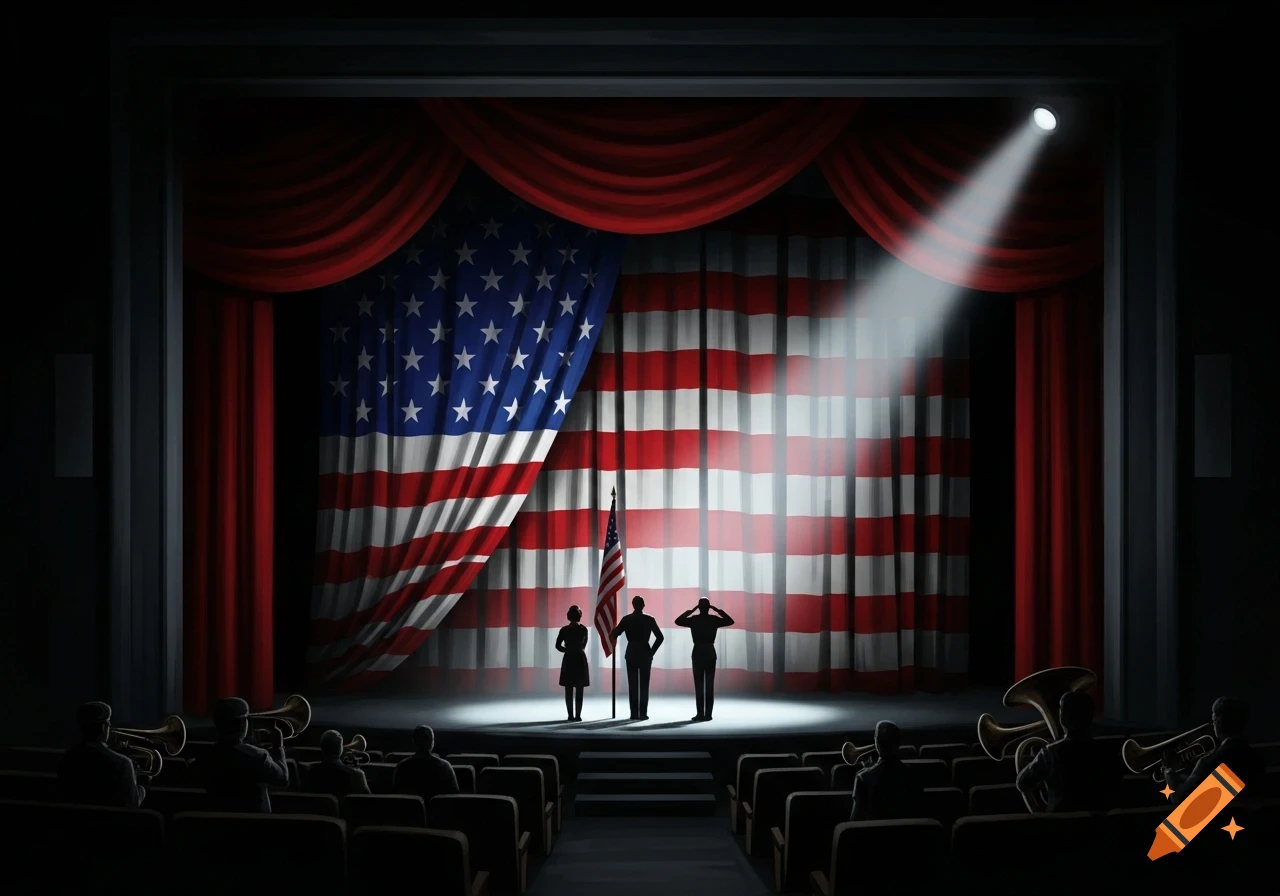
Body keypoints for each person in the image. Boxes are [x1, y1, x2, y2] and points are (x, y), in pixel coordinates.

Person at [1015, 690, 1119, 812]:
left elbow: (1022, 783)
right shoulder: (1107, 752)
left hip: (1059, 825)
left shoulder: (1050, 753)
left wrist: (1035, 763)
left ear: (1062, 718)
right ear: (1091, 717)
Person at [190, 696, 289, 813]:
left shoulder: (203, 757)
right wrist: (278, 746)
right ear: (242, 723)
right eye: (247, 719)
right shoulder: (259, 756)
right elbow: (283, 779)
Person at [1164, 697, 1265, 803]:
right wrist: (1192, 769)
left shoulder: (1208, 762)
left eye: (1213, 721)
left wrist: (1168, 771)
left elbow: (1179, 798)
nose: (1212, 725)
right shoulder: (1257, 759)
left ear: (1218, 721)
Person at [56, 701, 146, 808]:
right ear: (104, 727)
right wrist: (142, 786)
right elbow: (132, 804)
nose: (109, 726)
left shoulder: (67, 757)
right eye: (108, 722)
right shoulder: (123, 763)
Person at [846, 720, 922, 821]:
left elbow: (854, 822)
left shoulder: (862, 778)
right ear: (899, 743)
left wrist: (867, 771)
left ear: (876, 743)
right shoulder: (914, 775)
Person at [675, 597, 734, 721]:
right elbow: (730, 621)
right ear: (708, 607)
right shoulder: (714, 619)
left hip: (697, 652)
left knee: (699, 685)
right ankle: (708, 714)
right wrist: (718, 611)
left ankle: (700, 713)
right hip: (709, 652)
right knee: (709, 685)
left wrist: (691, 611)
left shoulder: (694, 620)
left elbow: (678, 621)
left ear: (699, 607)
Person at [610, 595, 664, 720]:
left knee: (632, 685)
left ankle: (634, 713)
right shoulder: (649, 619)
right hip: (645, 653)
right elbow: (660, 637)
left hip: (632, 653)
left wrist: (611, 627)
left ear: (633, 605)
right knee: (644, 685)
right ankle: (643, 713)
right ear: (643, 605)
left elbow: (614, 634)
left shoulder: (627, 619)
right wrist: (651, 652)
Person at [393, 725, 459, 809]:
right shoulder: (445, 767)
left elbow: (397, 793)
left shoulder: (402, 766)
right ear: (432, 743)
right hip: (439, 815)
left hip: (409, 815)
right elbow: (454, 795)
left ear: (413, 741)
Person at [305, 729, 371, 797]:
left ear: (321, 748)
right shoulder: (358, 775)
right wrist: (356, 769)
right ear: (341, 749)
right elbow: (367, 800)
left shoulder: (310, 771)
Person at [556, 606, 590, 722]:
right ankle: (578, 716)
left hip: (569, 659)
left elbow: (558, 646)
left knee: (568, 689)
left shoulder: (564, 630)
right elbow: (584, 645)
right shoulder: (584, 629)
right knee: (579, 689)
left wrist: (567, 650)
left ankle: (570, 716)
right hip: (580, 658)